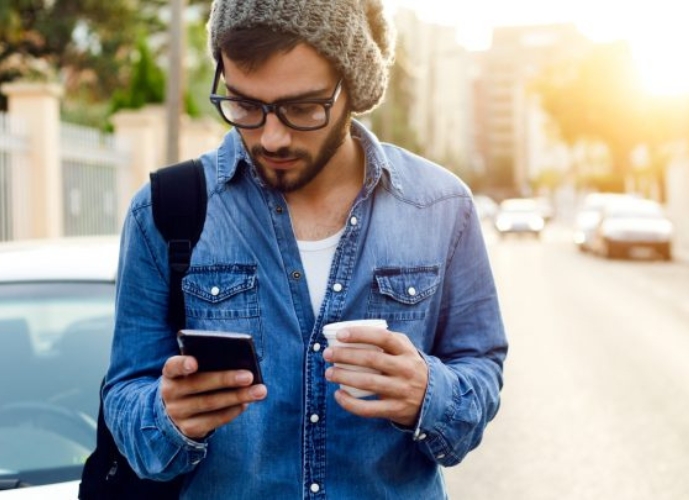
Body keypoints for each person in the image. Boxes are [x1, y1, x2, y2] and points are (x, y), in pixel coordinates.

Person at [103, 0, 508, 498]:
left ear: (352, 86)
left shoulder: (442, 206)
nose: (271, 137)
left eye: (301, 109)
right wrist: (167, 418)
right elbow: (124, 398)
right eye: (245, 105)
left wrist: (430, 394)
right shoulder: (162, 211)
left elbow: (481, 369)